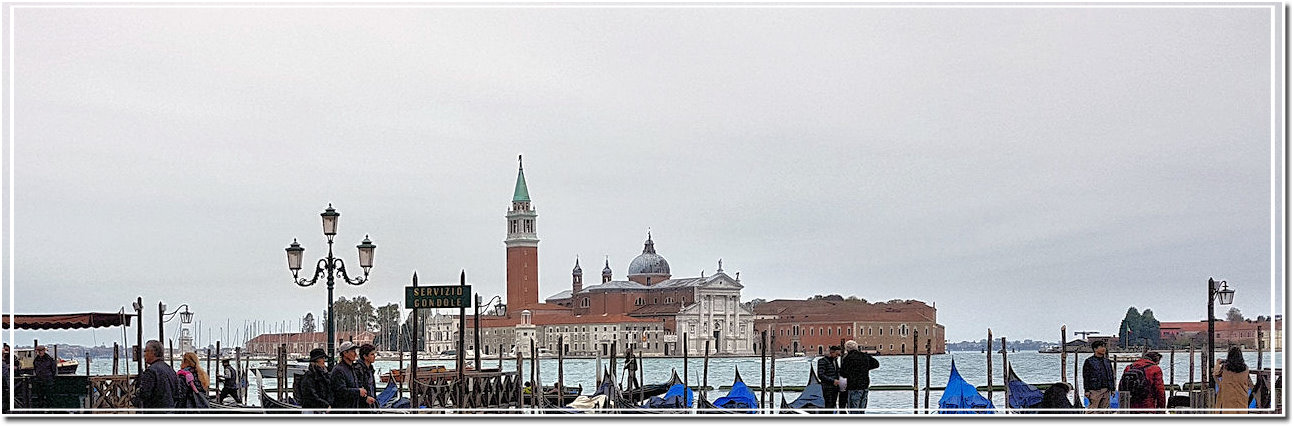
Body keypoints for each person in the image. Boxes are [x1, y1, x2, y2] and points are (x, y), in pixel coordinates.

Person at [135, 340, 181, 413]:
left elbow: (144, 393)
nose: (144, 355)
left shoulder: (151, 371)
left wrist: (137, 391)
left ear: (153, 352)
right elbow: (177, 393)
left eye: (146, 351)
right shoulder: (170, 369)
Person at [330, 342, 374, 412]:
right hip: (343, 411)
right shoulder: (338, 370)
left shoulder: (351, 369)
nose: (355, 354)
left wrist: (365, 398)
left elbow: (356, 386)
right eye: (353, 351)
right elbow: (340, 392)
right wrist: (358, 391)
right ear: (345, 353)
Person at [838, 340, 879, 413]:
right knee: (862, 409)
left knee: (854, 409)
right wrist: (865, 368)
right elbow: (876, 364)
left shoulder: (848, 358)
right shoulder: (865, 356)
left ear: (847, 349)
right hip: (865, 385)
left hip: (853, 386)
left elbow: (843, 373)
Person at [1213, 346, 1253, 414]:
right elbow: (1249, 382)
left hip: (1228, 397)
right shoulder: (1245, 368)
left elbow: (1216, 373)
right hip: (1242, 396)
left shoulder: (1225, 367)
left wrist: (1217, 363)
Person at [1081, 340, 1114, 413]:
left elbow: (1111, 375)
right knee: (1092, 410)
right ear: (1095, 349)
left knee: (1104, 411)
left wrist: (1113, 389)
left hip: (1106, 389)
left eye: (1104, 347)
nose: (1104, 349)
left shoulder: (1107, 361)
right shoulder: (1089, 361)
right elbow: (1086, 377)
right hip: (1094, 390)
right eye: (1101, 347)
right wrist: (1086, 390)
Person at [298, 348, 333, 413]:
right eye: (322, 358)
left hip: (322, 409)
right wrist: (325, 406)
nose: (324, 361)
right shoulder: (309, 376)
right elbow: (310, 396)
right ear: (316, 360)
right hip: (312, 410)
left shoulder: (324, 374)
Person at [816, 346, 842, 414]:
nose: (838, 356)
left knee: (833, 404)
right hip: (827, 387)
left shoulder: (835, 361)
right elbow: (820, 375)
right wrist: (833, 381)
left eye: (839, 355)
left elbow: (837, 372)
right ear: (831, 352)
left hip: (835, 387)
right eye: (837, 354)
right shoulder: (822, 361)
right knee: (828, 405)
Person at [31, 345, 57, 409]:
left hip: (48, 381)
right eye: (38, 351)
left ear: (44, 351)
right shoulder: (36, 360)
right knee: (40, 398)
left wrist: (50, 378)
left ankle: (50, 411)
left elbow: (53, 370)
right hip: (39, 381)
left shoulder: (49, 359)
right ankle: (41, 411)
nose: (40, 352)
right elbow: (35, 369)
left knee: (49, 398)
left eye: (41, 351)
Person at [357, 344, 378, 409]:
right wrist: (365, 398)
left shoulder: (370, 369)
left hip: (371, 401)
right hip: (363, 404)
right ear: (365, 356)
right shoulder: (358, 369)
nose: (374, 356)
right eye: (372, 354)